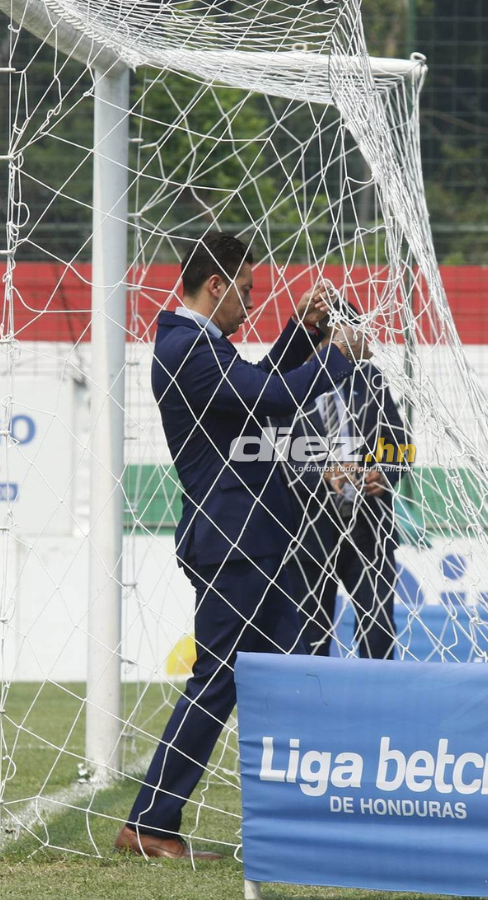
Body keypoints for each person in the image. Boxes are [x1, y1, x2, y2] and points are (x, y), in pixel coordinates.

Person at [115, 232, 369, 861]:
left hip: (256, 542)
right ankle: (150, 823)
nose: (250, 305)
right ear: (216, 286)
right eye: (247, 292)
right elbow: (275, 399)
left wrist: (303, 332)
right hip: (234, 545)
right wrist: (337, 353)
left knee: (288, 670)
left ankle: (301, 823)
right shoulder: (183, 350)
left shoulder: (202, 347)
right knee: (222, 679)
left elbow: (255, 383)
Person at [277, 303, 411, 660]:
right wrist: (322, 472)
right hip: (309, 533)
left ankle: (377, 709)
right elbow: (268, 457)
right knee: (311, 637)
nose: (365, 338)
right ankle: (314, 713)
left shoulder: (371, 380)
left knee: (378, 631)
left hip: (369, 529)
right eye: (356, 330)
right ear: (331, 334)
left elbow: (401, 446)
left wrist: (384, 472)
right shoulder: (284, 382)